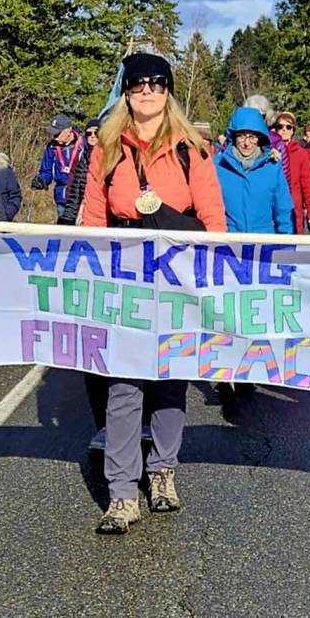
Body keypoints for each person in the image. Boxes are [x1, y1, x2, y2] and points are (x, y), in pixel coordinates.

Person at [82, 52, 226, 534]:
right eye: (138, 84)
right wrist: (93, 279)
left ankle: (163, 471)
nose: (147, 91)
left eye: (157, 84)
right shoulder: (106, 149)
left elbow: (213, 219)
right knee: (124, 384)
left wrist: (209, 280)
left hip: (178, 276)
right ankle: (123, 492)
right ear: (126, 91)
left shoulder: (192, 150)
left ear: (168, 92)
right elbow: (93, 220)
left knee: (169, 379)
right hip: (125, 276)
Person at [214, 107, 294, 234]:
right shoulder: (218, 166)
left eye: (252, 137)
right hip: (229, 241)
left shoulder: (272, 168)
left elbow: (284, 211)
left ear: (260, 138)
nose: (247, 143)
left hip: (264, 240)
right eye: (241, 136)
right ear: (233, 136)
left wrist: (286, 241)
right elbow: (208, 208)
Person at [31, 113, 82, 218]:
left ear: (68, 131)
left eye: (57, 134)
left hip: (80, 195)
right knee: (63, 226)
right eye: (53, 134)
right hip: (61, 197)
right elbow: (46, 171)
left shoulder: (83, 144)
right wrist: (41, 180)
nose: (54, 137)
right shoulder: (51, 147)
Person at [273, 111, 310, 233]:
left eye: (288, 127)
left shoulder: (301, 153)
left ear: (293, 131)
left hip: (294, 210)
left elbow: (308, 185)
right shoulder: (268, 151)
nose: (284, 130)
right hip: (272, 210)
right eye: (280, 126)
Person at [58, 118, 101, 227]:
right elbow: (75, 191)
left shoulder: (109, 157)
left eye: (96, 133)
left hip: (100, 213)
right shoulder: (83, 158)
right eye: (89, 133)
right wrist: (68, 217)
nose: (92, 136)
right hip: (83, 211)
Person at [243, 94, 290, 180]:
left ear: (267, 116)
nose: (257, 119)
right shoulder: (237, 140)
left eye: (261, 116)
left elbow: (285, 176)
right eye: (252, 115)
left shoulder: (277, 143)